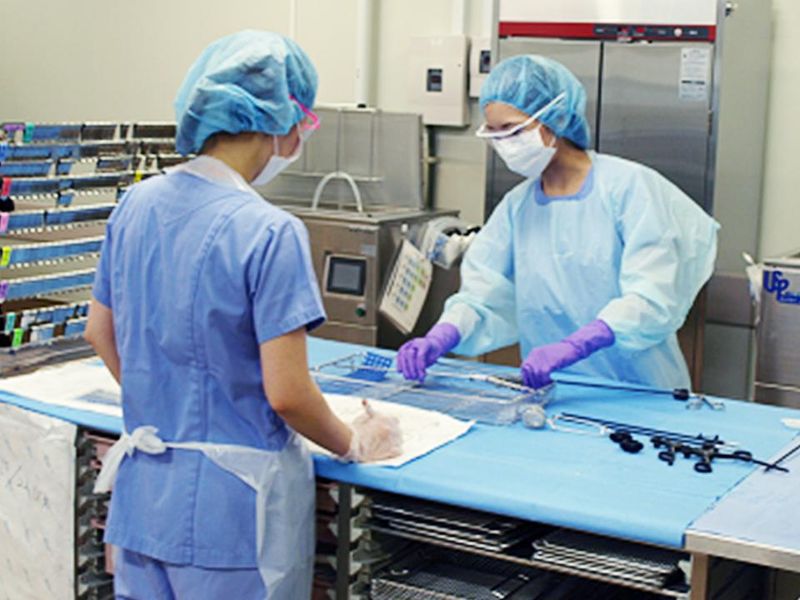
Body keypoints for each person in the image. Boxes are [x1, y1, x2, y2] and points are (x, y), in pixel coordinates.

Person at [84, 30, 401, 600]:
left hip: (143, 500)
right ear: (282, 121)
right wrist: (352, 442)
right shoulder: (269, 231)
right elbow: (288, 394)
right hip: (231, 517)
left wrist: (166, 403)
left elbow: (98, 331)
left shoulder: (136, 203)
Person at [397, 54, 719, 391]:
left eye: (512, 129)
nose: (504, 143)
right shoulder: (518, 207)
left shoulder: (629, 189)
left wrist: (579, 343)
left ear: (557, 117)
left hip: (639, 390)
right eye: (493, 132)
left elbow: (653, 298)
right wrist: (442, 335)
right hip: (556, 391)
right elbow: (481, 295)